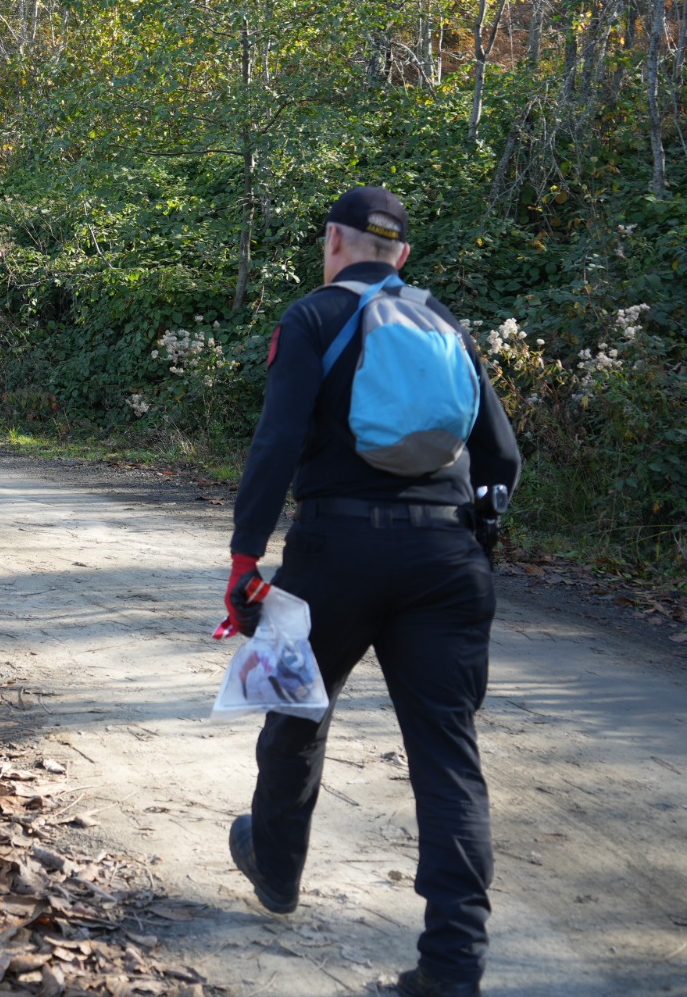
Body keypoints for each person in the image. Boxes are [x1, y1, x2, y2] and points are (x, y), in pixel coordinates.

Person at [221, 186, 521, 997]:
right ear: (402, 257)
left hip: (336, 553)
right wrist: (470, 544)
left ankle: (278, 869)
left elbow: (278, 442)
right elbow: (501, 459)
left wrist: (246, 559)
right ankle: (452, 967)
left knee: (296, 711)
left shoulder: (313, 317)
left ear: (333, 243)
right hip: (448, 560)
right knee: (447, 760)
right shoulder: (441, 321)